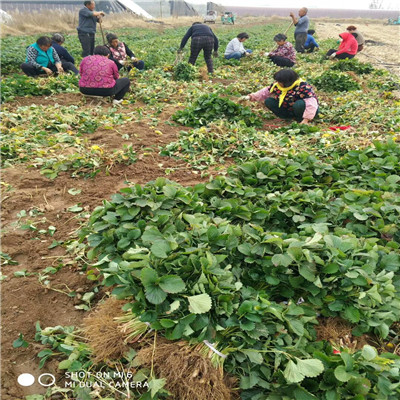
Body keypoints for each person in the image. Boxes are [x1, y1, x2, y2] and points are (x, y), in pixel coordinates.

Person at [242, 69, 318, 124]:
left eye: (279, 81)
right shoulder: (277, 85)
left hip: (307, 111)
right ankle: (288, 118)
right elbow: (264, 92)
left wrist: (306, 119)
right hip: (290, 109)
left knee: (299, 104)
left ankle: (300, 119)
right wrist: (250, 97)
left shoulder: (303, 87)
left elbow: (311, 104)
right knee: (269, 101)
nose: (277, 83)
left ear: (287, 82)